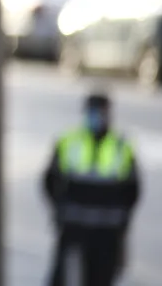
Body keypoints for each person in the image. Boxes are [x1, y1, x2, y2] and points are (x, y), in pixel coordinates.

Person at [43, 90, 141, 286]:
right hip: (74, 227)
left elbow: (133, 189)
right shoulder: (68, 141)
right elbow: (49, 181)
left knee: (101, 278)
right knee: (61, 278)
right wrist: (60, 210)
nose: (97, 117)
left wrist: (121, 218)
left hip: (107, 230)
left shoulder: (121, 145)